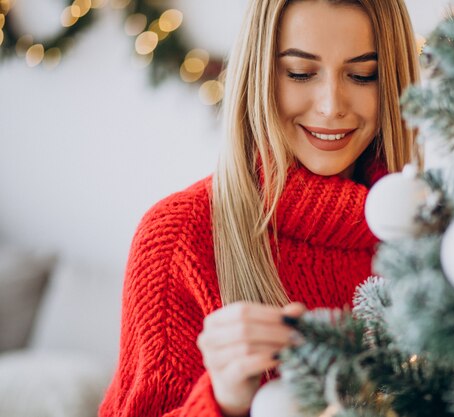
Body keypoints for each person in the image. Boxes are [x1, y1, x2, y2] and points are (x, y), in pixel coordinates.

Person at [99, 0, 420, 416]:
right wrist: (223, 399)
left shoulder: (433, 239)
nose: (330, 105)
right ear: (260, 75)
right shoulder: (179, 238)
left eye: (363, 75)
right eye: (301, 73)